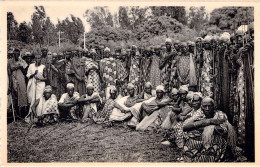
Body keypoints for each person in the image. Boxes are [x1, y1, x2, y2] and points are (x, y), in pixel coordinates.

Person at [181, 97, 237, 162]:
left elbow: (223, 129)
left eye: (209, 106)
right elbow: (185, 127)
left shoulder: (220, 114)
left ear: (214, 106)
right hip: (198, 140)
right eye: (205, 106)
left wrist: (202, 127)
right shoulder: (198, 114)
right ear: (201, 107)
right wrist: (209, 122)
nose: (207, 109)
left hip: (215, 141)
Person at [25, 54, 47, 123]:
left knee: (39, 99)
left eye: (39, 58)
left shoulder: (43, 67)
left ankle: (39, 115)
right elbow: (27, 75)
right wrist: (34, 74)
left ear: (41, 59)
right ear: (34, 59)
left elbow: (46, 78)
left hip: (41, 85)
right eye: (36, 58)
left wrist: (40, 79)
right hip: (33, 84)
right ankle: (32, 116)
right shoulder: (31, 66)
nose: (38, 60)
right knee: (32, 99)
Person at [8, 48, 28, 118]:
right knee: (15, 96)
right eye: (15, 54)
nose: (16, 55)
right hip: (13, 78)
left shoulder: (22, 61)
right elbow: (10, 70)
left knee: (22, 95)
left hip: (21, 78)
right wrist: (18, 66)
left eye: (18, 54)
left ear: (19, 54)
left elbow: (25, 72)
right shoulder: (10, 61)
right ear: (13, 54)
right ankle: (16, 114)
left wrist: (21, 67)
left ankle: (23, 114)